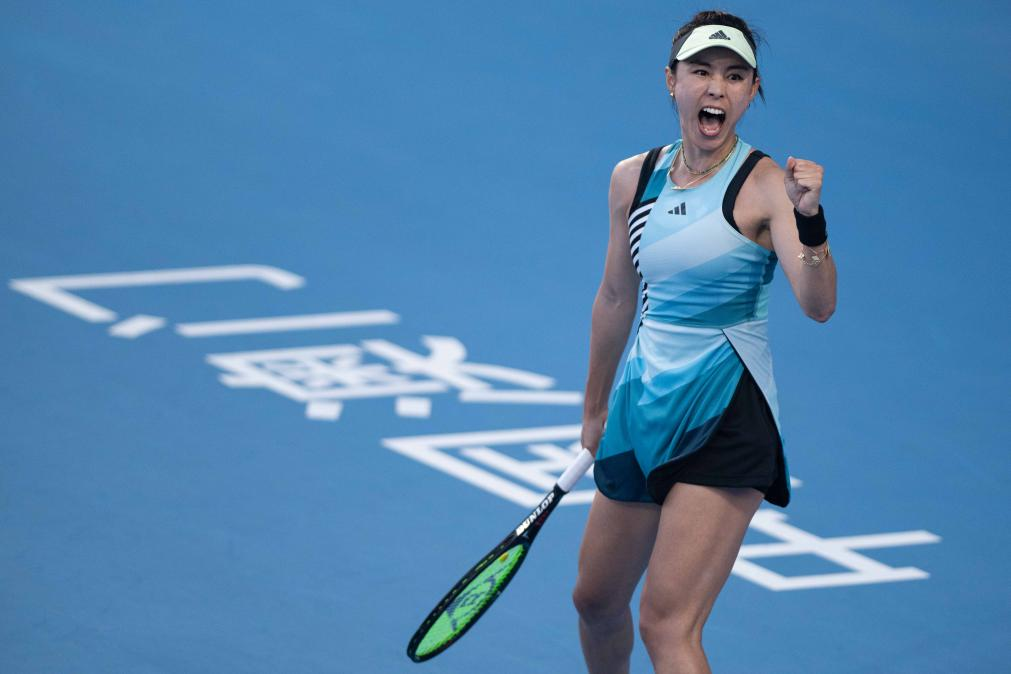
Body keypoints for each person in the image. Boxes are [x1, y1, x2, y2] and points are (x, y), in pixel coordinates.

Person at [573, 10, 836, 674]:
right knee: (595, 601)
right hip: (642, 406)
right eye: (701, 71)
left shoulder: (767, 186)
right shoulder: (634, 177)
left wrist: (809, 220)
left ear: (751, 92)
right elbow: (615, 297)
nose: (716, 88)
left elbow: (818, 305)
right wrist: (595, 408)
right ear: (672, 81)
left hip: (725, 412)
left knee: (667, 624)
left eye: (734, 76)